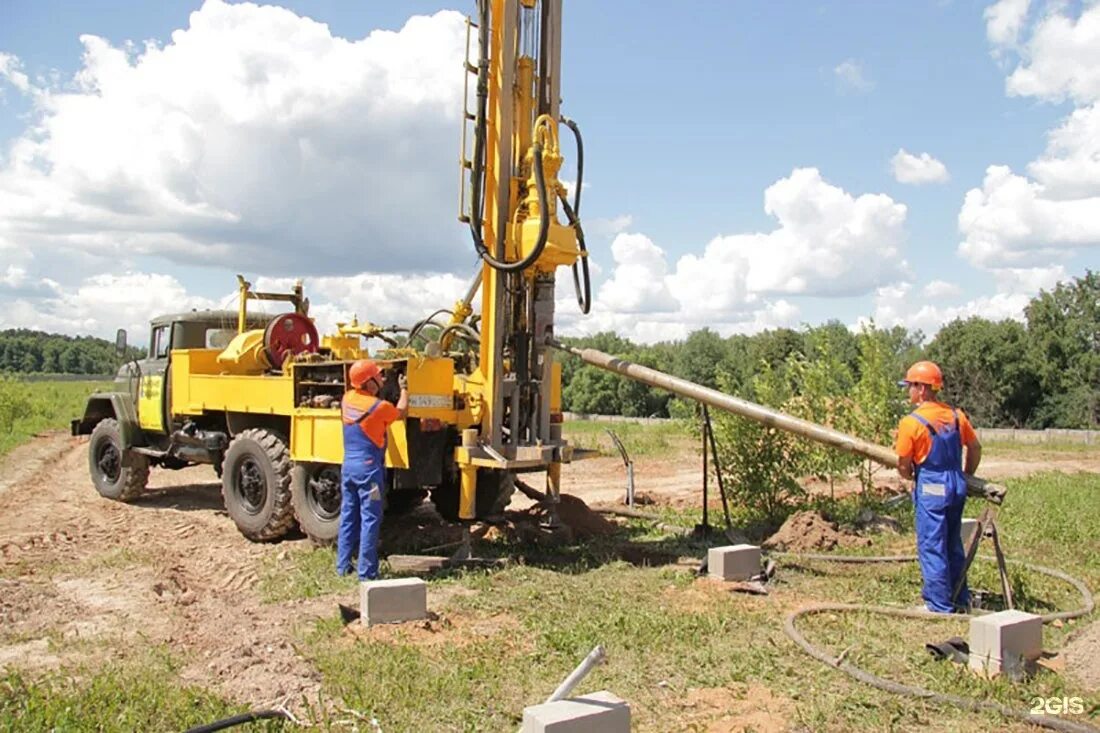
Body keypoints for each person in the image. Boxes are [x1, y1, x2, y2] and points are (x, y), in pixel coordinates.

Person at [894, 360, 982, 613]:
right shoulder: (956, 416)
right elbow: (975, 448)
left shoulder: (911, 423)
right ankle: (959, 598)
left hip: (932, 485)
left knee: (932, 545)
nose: (907, 391)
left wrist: (909, 477)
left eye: (910, 386)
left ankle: (938, 605)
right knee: (953, 542)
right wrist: (966, 475)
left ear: (922, 388)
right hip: (956, 483)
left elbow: (903, 462)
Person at [337, 359, 408, 580]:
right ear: (369, 382)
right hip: (368, 472)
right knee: (370, 518)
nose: (383, 379)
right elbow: (401, 412)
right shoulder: (378, 407)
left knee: (349, 515)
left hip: (348, 468)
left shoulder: (346, 399)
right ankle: (366, 572)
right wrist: (404, 389)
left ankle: (343, 566)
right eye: (379, 376)